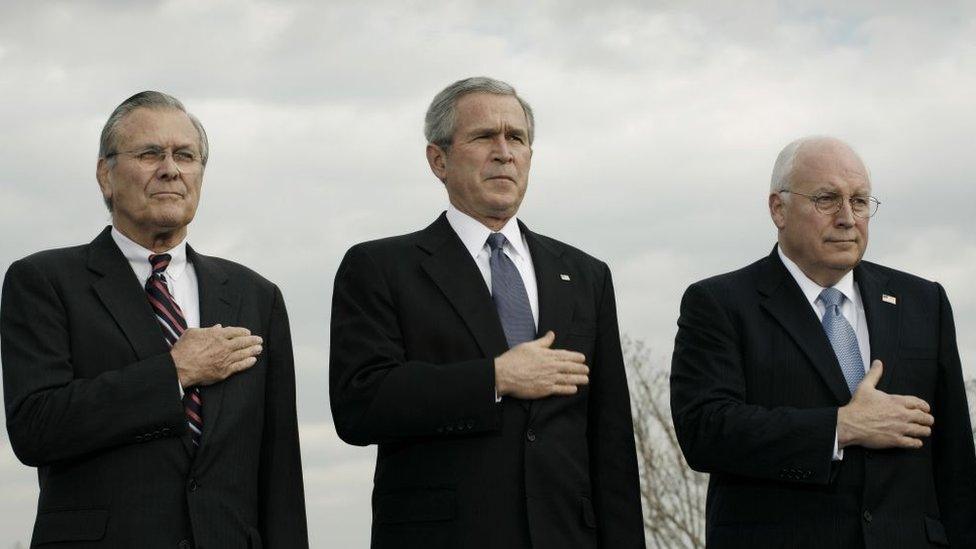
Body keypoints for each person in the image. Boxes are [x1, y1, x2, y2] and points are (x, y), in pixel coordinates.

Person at [329, 77, 644, 549]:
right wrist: (493, 378)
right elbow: (360, 405)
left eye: (516, 138)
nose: (504, 152)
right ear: (438, 160)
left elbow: (611, 440)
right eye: (483, 137)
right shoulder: (380, 267)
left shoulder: (584, 274)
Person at [1, 91, 307, 548]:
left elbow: (278, 468)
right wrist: (175, 372)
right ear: (106, 175)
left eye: (185, 155)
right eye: (149, 154)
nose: (170, 168)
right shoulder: (43, 281)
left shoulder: (255, 295)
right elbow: (35, 428)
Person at [670, 136, 976, 548]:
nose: (848, 218)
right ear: (778, 209)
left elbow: (955, 463)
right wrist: (840, 427)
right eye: (827, 199)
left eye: (861, 201)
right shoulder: (720, 304)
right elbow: (705, 431)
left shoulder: (924, 302)